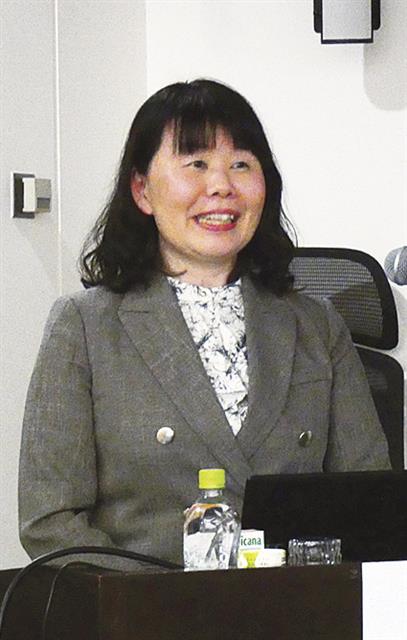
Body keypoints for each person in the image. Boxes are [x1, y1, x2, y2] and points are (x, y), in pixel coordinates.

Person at [19, 79, 390, 569]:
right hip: (143, 604)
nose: (221, 186)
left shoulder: (317, 325)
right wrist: (163, 598)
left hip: (297, 601)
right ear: (142, 190)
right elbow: (50, 521)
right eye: (196, 164)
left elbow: (371, 504)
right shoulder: (85, 326)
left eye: (241, 165)